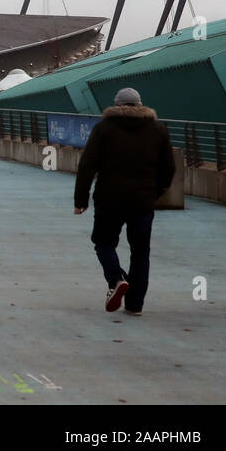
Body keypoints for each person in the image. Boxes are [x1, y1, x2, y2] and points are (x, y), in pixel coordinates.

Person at [74, 87, 176, 316]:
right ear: (139, 104)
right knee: (141, 252)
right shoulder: (158, 130)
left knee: (103, 243)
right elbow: (168, 168)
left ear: (117, 104)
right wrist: (155, 192)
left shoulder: (103, 129)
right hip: (143, 202)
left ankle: (116, 278)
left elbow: (87, 166)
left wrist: (80, 200)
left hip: (108, 200)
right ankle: (135, 304)